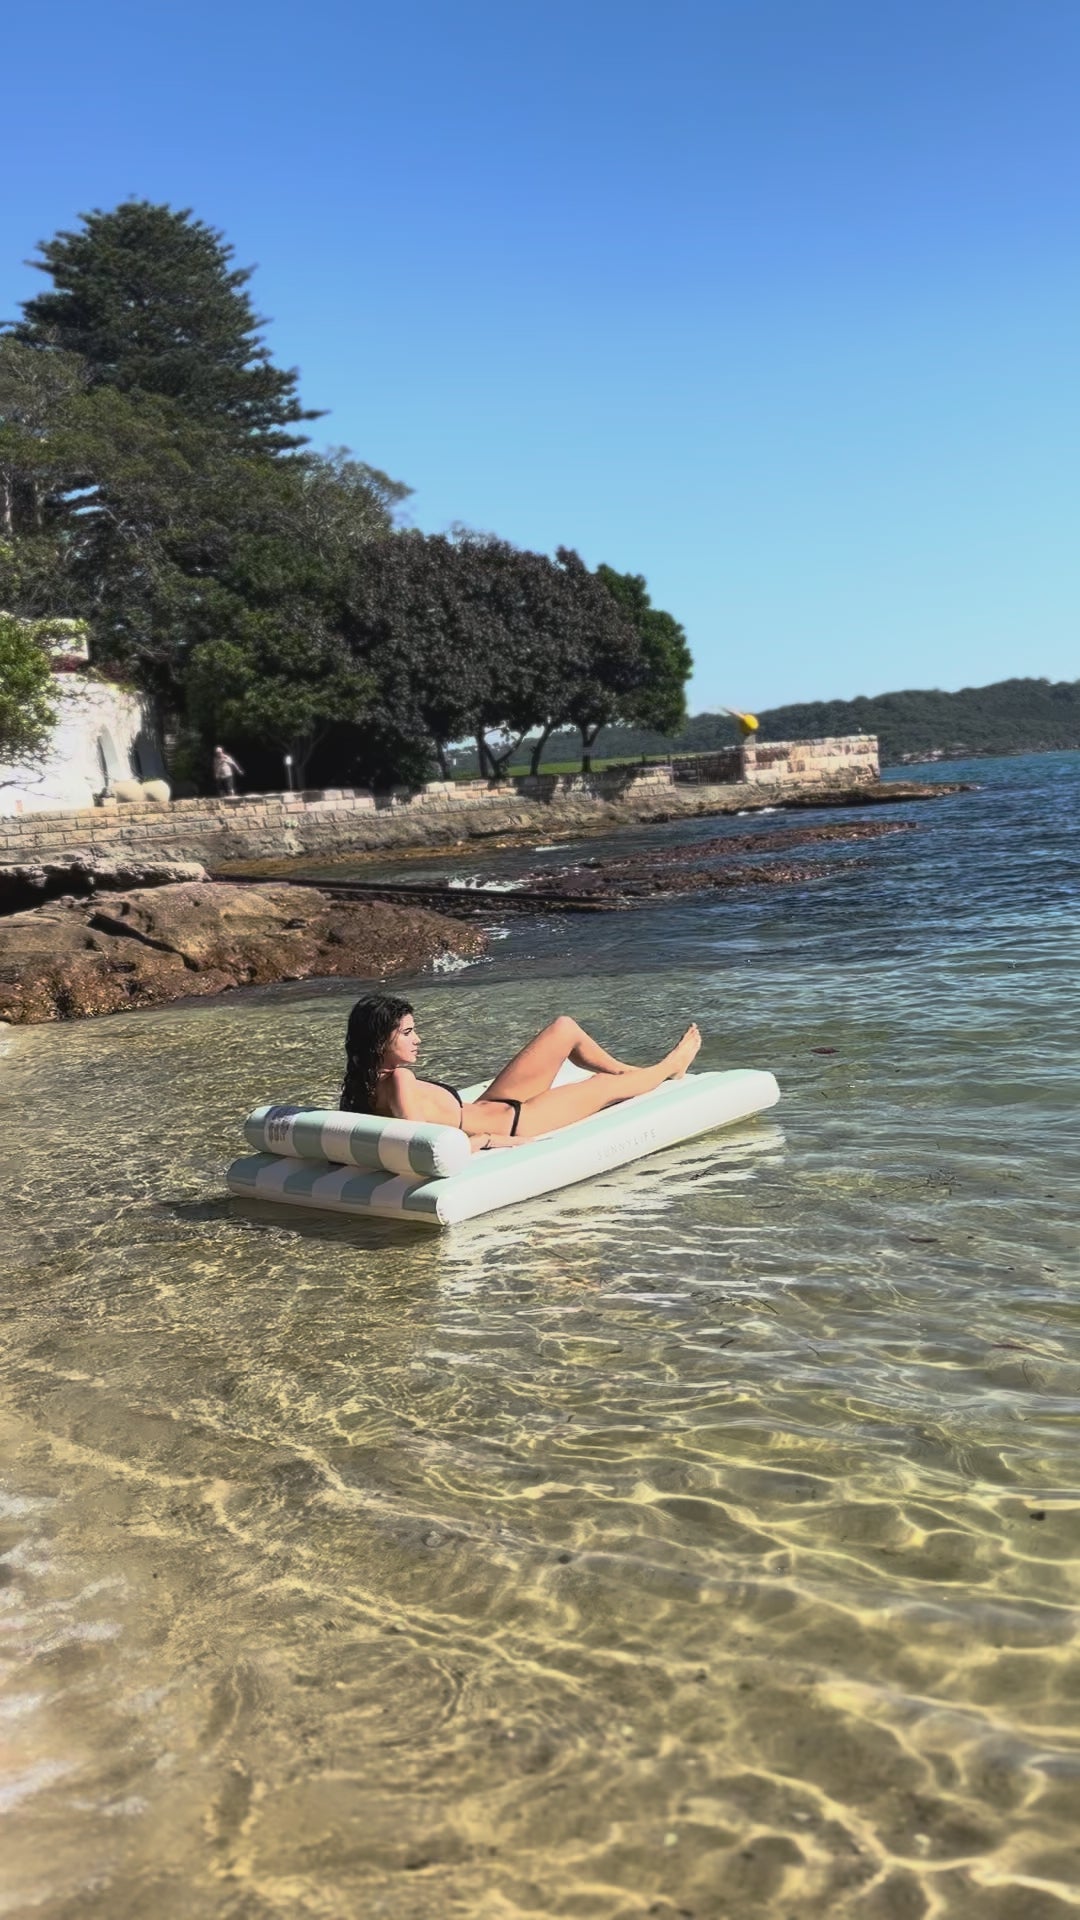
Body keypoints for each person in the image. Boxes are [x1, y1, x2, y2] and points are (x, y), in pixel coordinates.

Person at [340, 995, 701, 1149]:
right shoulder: (400, 1079)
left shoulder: (365, 1084)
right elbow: (423, 1147)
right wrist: (486, 1141)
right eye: (407, 1033)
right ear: (379, 1040)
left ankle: (631, 1073)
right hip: (516, 1122)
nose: (418, 1040)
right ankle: (671, 1066)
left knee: (564, 1029)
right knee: (603, 1085)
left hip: (492, 1104)